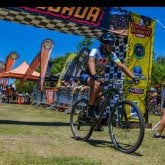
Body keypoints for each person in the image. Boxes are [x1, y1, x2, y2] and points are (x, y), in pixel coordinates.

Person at [79, 32, 139, 127]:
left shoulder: (111, 54)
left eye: (113, 43)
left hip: (98, 77)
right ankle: (90, 109)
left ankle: (96, 122)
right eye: (110, 43)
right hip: (86, 74)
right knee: (96, 84)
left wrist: (133, 77)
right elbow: (91, 62)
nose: (112, 45)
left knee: (103, 99)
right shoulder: (95, 50)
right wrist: (94, 75)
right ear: (103, 43)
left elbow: (121, 66)